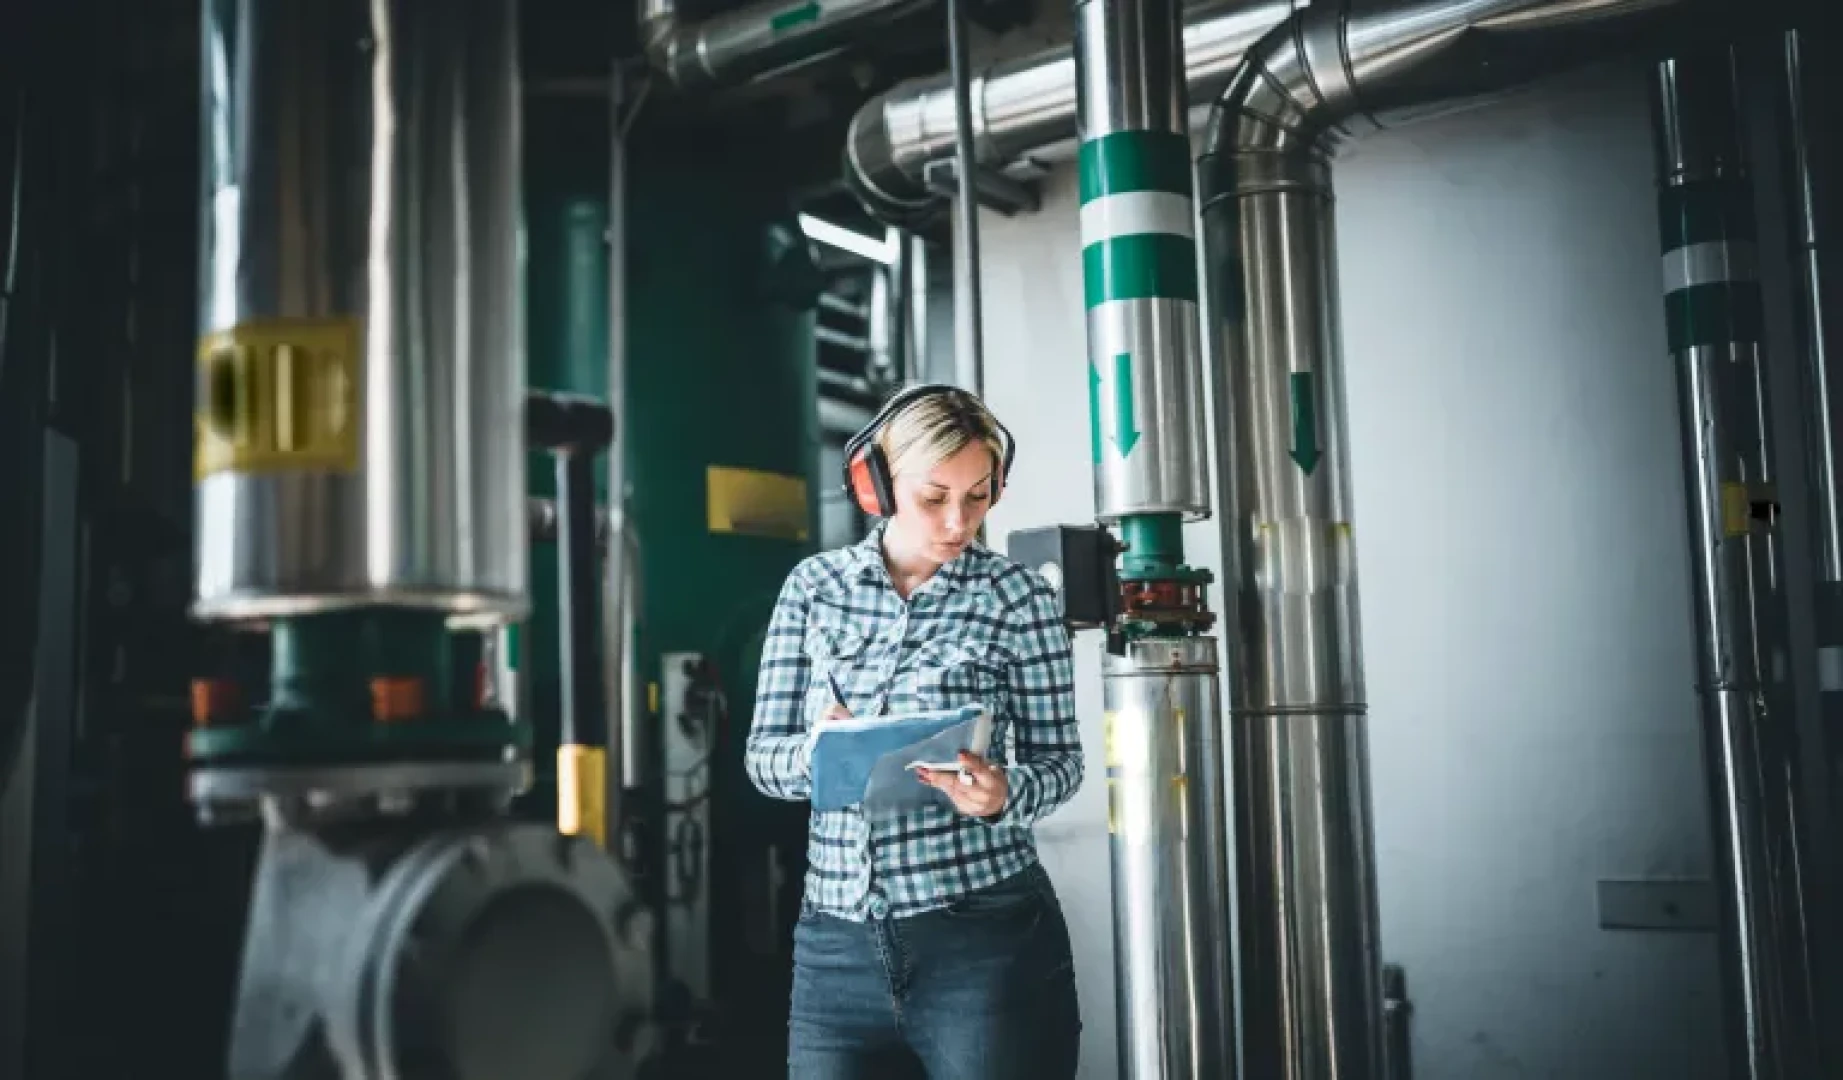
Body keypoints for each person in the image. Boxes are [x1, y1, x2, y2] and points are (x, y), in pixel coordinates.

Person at [746, 384, 1084, 1079]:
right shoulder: (813, 589)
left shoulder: (1018, 600)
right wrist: (816, 758)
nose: (958, 522)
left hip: (983, 945)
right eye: (934, 497)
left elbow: (1061, 762)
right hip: (832, 949)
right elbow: (762, 759)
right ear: (875, 485)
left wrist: (1003, 792)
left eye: (979, 495)